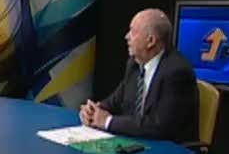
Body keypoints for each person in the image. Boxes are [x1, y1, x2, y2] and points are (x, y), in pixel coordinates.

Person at [79, 8, 198, 143]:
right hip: (138, 141)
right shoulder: (134, 64)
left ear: (150, 40)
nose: (127, 36)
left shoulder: (177, 72)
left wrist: (107, 121)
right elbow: (115, 101)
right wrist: (93, 111)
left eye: (133, 32)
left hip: (170, 148)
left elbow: (159, 126)